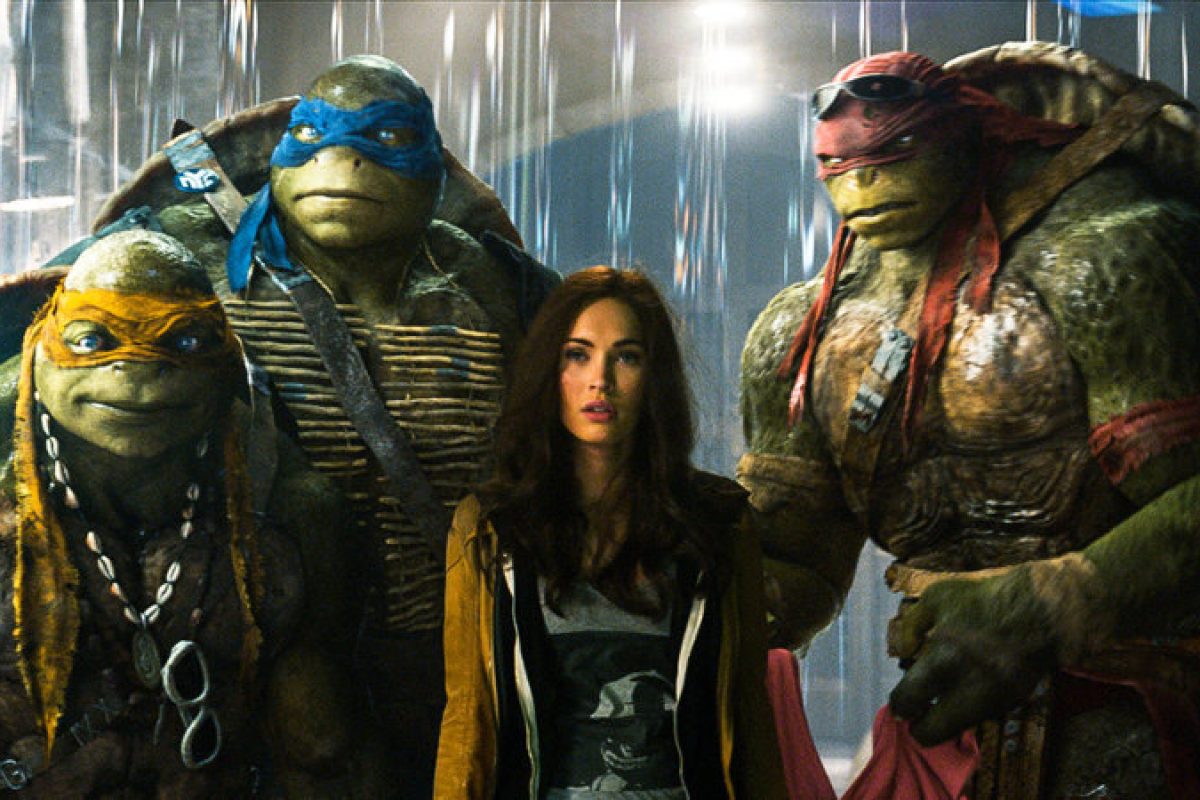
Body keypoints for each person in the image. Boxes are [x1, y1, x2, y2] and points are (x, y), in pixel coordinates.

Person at [71, 54, 559, 795]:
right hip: (236, 670)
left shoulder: (493, 283)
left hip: (461, 655)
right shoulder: (179, 259)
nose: (343, 162)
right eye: (314, 135)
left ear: (429, 165)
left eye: (384, 139)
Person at [740, 46, 1200, 798]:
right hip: (940, 727)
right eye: (841, 166)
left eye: (893, 152)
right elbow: (796, 558)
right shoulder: (802, 329)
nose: (865, 182)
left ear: (959, 137)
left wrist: (1047, 605)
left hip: (1137, 716)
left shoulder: (1109, 253)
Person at [0, 229, 360, 797]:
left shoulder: (287, 505)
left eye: (185, 341)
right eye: (93, 340)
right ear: (41, 348)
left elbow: (321, 743)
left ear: (226, 359)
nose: (136, 370)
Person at [435, 266, 787, 799]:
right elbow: (468, 721)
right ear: (549, 370)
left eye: (627, 357)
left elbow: (749, 715)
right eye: (577, 355)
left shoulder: (718, 521)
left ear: (654, 378)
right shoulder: (490, 529)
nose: (600, 379)